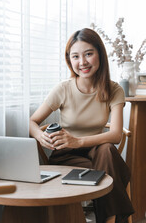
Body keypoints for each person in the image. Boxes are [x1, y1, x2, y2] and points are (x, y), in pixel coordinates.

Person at [29, 28, 134, 223]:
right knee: (113, 169)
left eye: (88, 54)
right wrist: (39, 135)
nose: (82, 62)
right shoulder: (63, 89)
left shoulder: (114, 89)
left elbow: (116, 135)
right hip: (66, 156)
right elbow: (32, 121)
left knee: (106, 150)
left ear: (99, 55)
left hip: (97, 153)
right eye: (75, 56)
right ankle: (112, 219)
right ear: (70, 61)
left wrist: (78, 141)